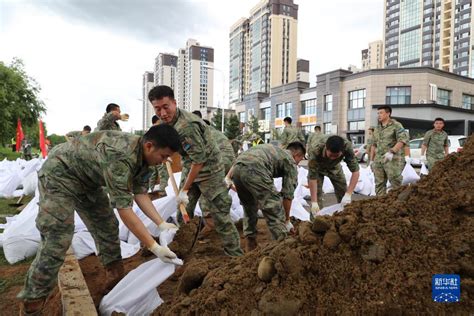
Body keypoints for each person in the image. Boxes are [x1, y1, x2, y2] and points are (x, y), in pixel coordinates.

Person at [18, 125, 181, 314]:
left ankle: (115, 281)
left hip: (88, 181)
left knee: (107, 226)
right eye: (163, 156)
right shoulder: (121, 155)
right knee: (58, 238)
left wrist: (161, 223)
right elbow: (125, 210)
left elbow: (140, 193)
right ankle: (32, 304)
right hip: (60, 174)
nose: (163, 162)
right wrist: (154, 246)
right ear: (149, 146)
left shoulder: (145, 160)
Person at [149, 85, 243, 257]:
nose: (162, 113)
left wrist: (184, 189)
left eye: (166, 107)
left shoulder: (187, 126)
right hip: (190, 164)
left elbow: (199, 161)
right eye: (157, 109)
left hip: (209, 169)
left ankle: (236, 257)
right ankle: (185, 251)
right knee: (183, 211)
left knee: (220, 215)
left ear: (174, 103)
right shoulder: (167, 122)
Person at [226, 142, 305, 251]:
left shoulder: (271, 150)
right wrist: (286, 220)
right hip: (256, 168)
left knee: (249, 206)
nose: (298, 163)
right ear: (297, 155)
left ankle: (250, 242)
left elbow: (241, 159)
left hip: (238, 169)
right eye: (300, 160)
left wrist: (228, 176)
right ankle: (282, 247)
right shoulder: (290, 161)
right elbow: (288, 195)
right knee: (274, 206)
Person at [307, 135, 360, 218]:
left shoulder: (347, 146)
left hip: (335, 167)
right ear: (326, 148)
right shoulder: (315, 150)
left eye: (336, 156)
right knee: (316, 198)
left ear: (342, 152)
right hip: (318, 168)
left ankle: (345, 219)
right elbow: (312, 178)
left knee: (343, 192)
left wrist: (349, 194)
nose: (332, 158)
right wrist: (314, 202)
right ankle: (316, 222)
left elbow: (355, 171)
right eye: (330, 155)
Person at [370, 105, 409, 196]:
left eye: (381, 113)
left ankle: (398, 203)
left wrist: (392, 152)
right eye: (378, 113)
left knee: (395, 182)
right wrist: (371, 160)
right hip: (378, 160)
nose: (379, 115)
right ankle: (381, 203)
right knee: (379, 183)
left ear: (388, 113)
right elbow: (374, 144)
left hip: (392, 159)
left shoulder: (396, 125)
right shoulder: (377, 128)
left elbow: (402, 140)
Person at [148, 116, 169, 194]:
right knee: (163, 174)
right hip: (158, 157)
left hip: (152, 158)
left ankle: (150, 191)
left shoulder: (150, 131)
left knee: (153, 175)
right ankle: (162, 192)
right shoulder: (157, 131)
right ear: (155, 122)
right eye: (160, 121)